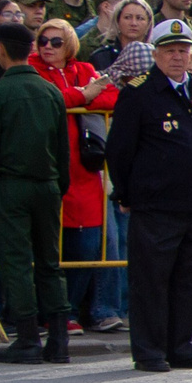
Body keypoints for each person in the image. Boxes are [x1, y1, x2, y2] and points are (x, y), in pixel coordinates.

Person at [106, 19, 192, 371]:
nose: (177, 57)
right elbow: (119, 151)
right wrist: (126, 193)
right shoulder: (139, 92)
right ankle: (150, 349)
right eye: (169, 51)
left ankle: (181, 345)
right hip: (156, 203)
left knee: (188, 279)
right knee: (152, 281)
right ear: (155, 54)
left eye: (183, 50)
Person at [27, 18, 120, 341]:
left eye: (56, 41)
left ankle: (69, 309)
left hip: (84, 170)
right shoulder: (32, 69)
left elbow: (112, 97)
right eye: (43, 41)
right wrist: (83, 94)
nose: (48, 47)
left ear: (69, 44)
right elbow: (46, 99)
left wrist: (78, 95)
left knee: (87, 245)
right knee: (48, 246)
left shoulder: (83, 67)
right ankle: (51, 312)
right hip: (47, 166)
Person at [0, 20, 71, 361]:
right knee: (50, 262)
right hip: (48, 186)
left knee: (17, 261)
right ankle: (59, 341)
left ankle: (27, 338)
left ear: (1, 50)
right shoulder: (50, 91)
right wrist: (58, 188)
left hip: (12, 187)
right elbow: (62, 149)